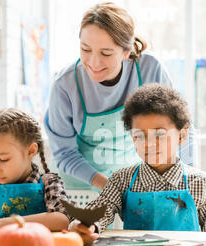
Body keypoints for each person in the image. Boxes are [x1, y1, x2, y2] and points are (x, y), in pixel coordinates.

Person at [44, 2, 197, 193]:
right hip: (78, 188)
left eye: (106, 53)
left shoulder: (149, 70)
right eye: (85, 49)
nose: (93, 62)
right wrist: (107, 186)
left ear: (126, 52)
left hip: (132, 184)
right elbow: (64, 153)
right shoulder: (65, 85)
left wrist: (190, 179)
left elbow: (180, 128)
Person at [70, 83, 206, 240]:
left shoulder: (201, 183)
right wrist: (85, 224)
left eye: (159, 134)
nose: (148, 143)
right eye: (139, 136)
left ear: (182, 135)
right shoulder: (121, 180)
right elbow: (101, 209)